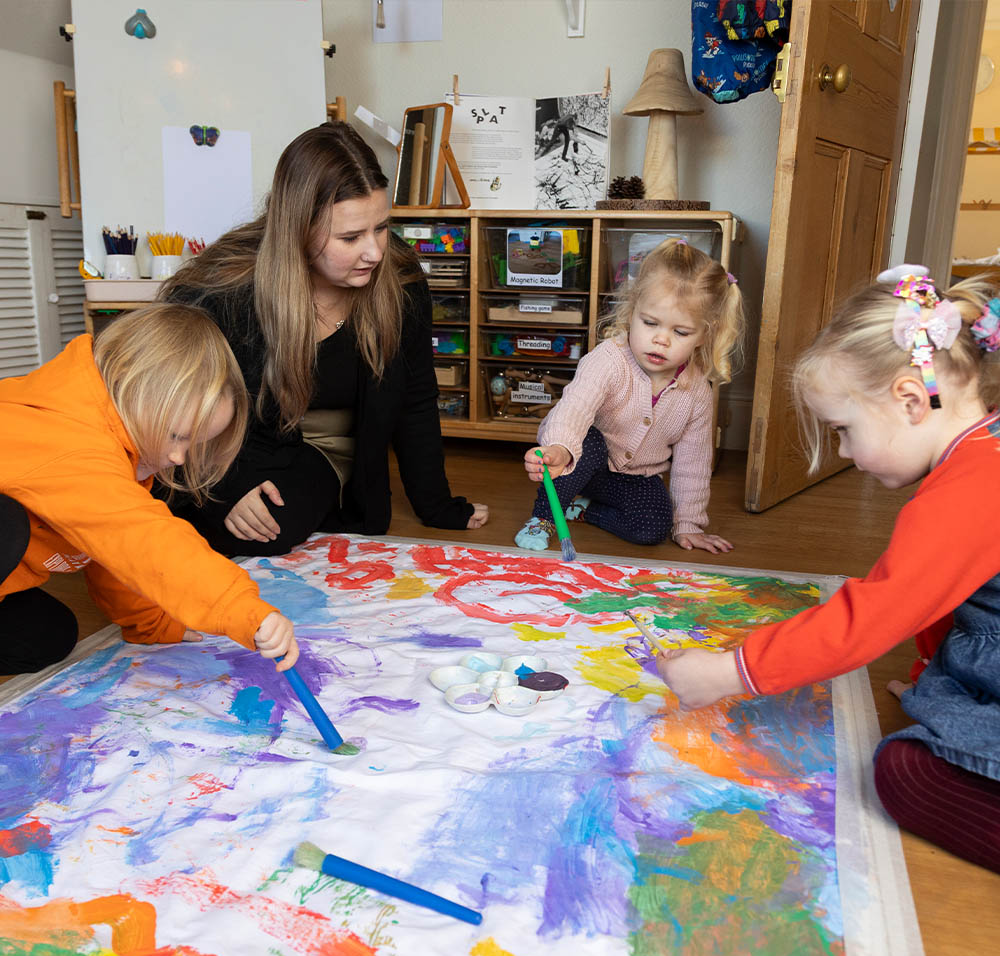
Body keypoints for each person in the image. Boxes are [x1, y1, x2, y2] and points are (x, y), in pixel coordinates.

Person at [658, 265, 1000, 874]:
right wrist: (936, 680)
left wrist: (728, 672)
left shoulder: (968, 493)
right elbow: (941, 596)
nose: (842, 452)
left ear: (911, 400)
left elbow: (872, 617)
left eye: (844, 430)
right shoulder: (982, 448)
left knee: (902, 774)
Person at [159, 121, 487, 556]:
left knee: (268, 528)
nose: (374, 252)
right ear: (298, 229)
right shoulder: (226, 288)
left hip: (324, 446)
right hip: (233, 443)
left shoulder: (401, 281)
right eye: (350, 237)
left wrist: (436, 504)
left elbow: (417, 397)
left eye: (382, 227)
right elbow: (174, 399)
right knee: (172, 510)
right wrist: (231, 483)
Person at [0, 304, 299, 675]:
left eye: (192, 446)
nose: (177, 457)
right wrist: (241, 609)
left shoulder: (123, 434)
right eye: (176, 437)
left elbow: (113, 551)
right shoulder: (67, 439)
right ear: (131, 386)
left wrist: (153, 624)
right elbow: (141, 537)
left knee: (47, 637)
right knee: (5, 526)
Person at [516, 237, 745, 554]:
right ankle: (544, 518)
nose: (660, 340)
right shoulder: (608, 360)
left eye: (680, 332)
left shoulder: (697, 392)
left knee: (652, 528)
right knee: (589, 441)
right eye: (650, 323)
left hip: (634, 477)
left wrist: (689, 523)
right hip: (579, 461)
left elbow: (693, 464)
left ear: (705, 334)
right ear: (632, 311)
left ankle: (581, 509)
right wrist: (560, 448)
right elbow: (574, 408)